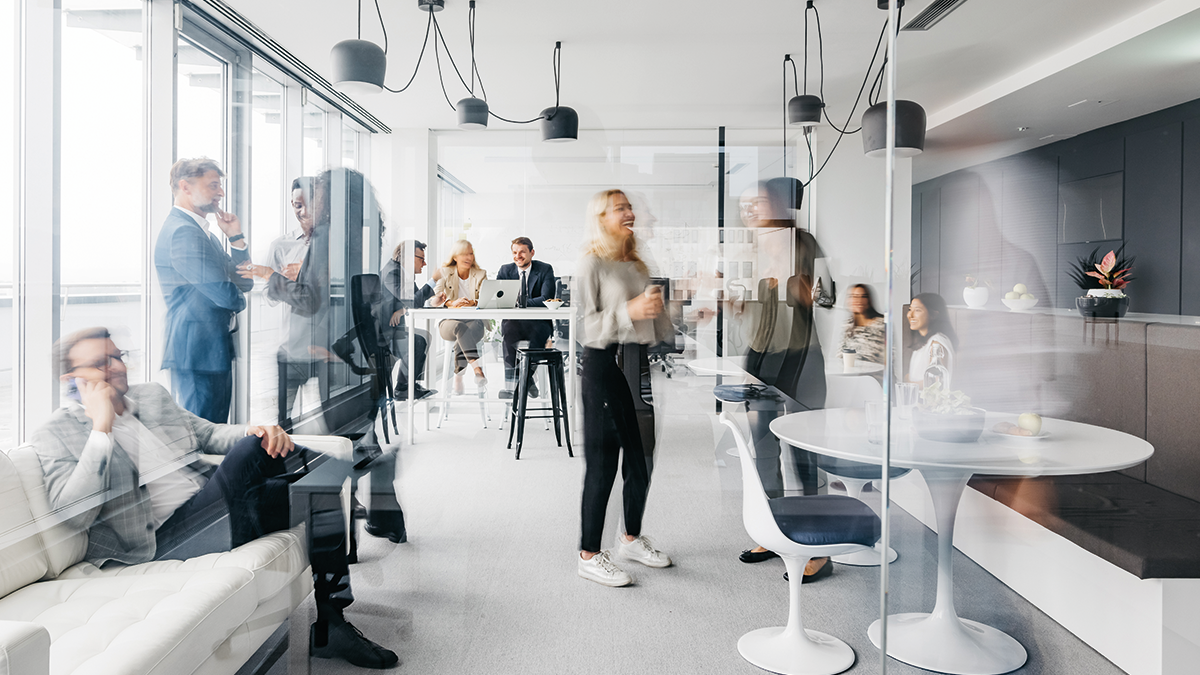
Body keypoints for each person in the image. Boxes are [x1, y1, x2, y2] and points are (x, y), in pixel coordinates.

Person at [32, 327, 398, 669]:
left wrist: (258, 428)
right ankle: (349, 466)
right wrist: (101, 429)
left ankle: (332, 625)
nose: (116, 366)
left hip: (216, 506)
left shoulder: (150, 396)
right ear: (71, 380)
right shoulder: (56, 432)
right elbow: (72, 514)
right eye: (101, 362)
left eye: (118, 356)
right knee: (257, 451)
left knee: (314, 492)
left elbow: (208, 434)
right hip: (167, 540)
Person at [731, 178, 835, 582]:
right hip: (760, 358)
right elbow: (751, 308)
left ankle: (818, 547)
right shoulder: (751, 251)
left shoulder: (803, 243)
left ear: (777, 204)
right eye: (745, 205)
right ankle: (774, 532)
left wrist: (810, 291)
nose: (749, 210)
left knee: (804, 454)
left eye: (757, 202)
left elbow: (828, 295)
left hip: (801, 359)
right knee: (763, 450)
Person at [575, 189, 673, 587]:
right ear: (602, 217)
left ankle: (630, 539)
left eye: (630, 207)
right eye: (621, 208)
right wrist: (628, 310)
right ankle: (588, 554)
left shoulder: (635, 263)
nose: (629, 213)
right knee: (602, 465)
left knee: (639, 460)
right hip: (601, 367)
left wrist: (670, 312)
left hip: (636, 366)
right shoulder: (591, 263)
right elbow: (585, 328)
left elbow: (651, 325)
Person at [154, 157, 253, 423]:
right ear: (185, 186)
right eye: (213, 185)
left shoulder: (203, 234)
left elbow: (245, 282)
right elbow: (227, 295)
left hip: (209, 350)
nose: (221, 193)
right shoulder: (183, 232)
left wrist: (236, 238)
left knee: (215, 431)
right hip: (197, 353)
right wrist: (236, 297)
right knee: (202, 434)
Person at [265, 177, 317, 428]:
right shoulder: (280, 246)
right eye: (297, 205)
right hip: (292, 346)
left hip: (328, 347)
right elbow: (269, 295)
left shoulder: (334, 245)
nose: (303, 211)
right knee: (284, 423)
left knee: (333, 419)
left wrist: (307, 277)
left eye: (309, 204)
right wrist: (286, 281)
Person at [381, 240, 444, 399]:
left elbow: (415, 301)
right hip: (383, 332)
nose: (424, 263)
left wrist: (432, 302)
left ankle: (407, 384)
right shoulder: (392, 273)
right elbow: (412, 302)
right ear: (409, 258)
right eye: (421, 259)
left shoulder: (403, 273)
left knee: (424, 336)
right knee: (418, 340)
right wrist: (433, 280)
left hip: (394, 328)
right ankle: (403, 388)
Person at [496, 236, 556, 398]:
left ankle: (524, 379)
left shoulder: (545, 269)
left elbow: (546, 298)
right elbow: (499, 298)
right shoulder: (505, 271)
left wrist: (518, 303)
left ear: (532, 252)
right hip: (514, 322)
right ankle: (513, 385)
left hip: (538, 322)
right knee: (508, 333)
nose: (518, 256)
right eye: (515, 252)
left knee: (538, 334)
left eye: (522, 252)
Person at [434, 239, 489, 395]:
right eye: (464, 254)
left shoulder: (481, 274)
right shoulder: (445, 272)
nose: (468, 257)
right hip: (448, 322)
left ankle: (458, 375)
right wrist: (451, 303)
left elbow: (487, 298)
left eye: (470, 253)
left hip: (474, 321)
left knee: (463, 334)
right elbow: (434, 297)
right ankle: (476, 369)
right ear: (455, 257)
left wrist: (474, 302)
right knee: (460, 328)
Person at [907, 292, 957, 386]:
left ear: (933, 315)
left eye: (917, 310)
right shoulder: (925, 341)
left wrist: (908, 383)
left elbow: (936, 383)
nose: (910, 315)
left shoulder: (937, 343)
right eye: (910, 309)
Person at [840, 283, 886, 365]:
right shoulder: (848, 325)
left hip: (873, 371)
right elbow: (840, 355)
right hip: (850, 371)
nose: (858, 300)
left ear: (869, 300)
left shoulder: (881, 324)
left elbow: (886, 358)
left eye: (863, 296)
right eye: (854, 296)